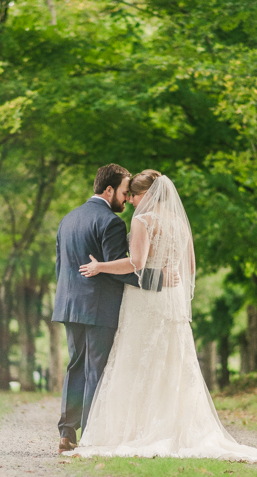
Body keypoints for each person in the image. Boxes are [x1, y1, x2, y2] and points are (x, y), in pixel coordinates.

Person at [69, 170, 257, 463]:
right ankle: (177, 428)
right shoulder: (180, 223)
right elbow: (189, 266)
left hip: (146, 301)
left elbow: (136, 263)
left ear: (146, 196)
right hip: (172, 302)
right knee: (172, 363)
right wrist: (169, 276)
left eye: (134, 196)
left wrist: (100, 267)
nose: (131, 201)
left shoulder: (143, 220)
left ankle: (135, 430)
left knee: (137, 360)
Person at [52, 164, 163, 454]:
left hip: (69, 304)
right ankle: (89, 433)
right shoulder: (111, 222)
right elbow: (120, 268)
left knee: (75, 366)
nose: (127, 199)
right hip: (99, 306)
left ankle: (66, 433)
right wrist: (157, 280)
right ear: (109, 189)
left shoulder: (68, 219)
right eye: (125, 192)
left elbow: (60, 267)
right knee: (96, 371)